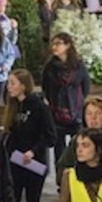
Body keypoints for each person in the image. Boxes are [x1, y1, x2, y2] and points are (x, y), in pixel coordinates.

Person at [0, 69, 56, 202]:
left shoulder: (39, 107)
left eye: (12, 83)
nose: (9, 87)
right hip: (14, 162)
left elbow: (50, 136)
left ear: (23, 85)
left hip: (34, 163)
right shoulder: (13, 106)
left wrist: (33, 150)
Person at [41, 33, 90, 175]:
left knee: (79, 148)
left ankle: (80, 177)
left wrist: (76, 104)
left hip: (76, 114)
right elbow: (46, 88)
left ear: (67, 45)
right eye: (53, 44)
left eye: (58, 44)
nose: (54, 47)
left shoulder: (78, 65)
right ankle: (61, 181)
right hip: (56, 114)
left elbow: (85, 87)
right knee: (59, 152)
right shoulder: (50, 67)